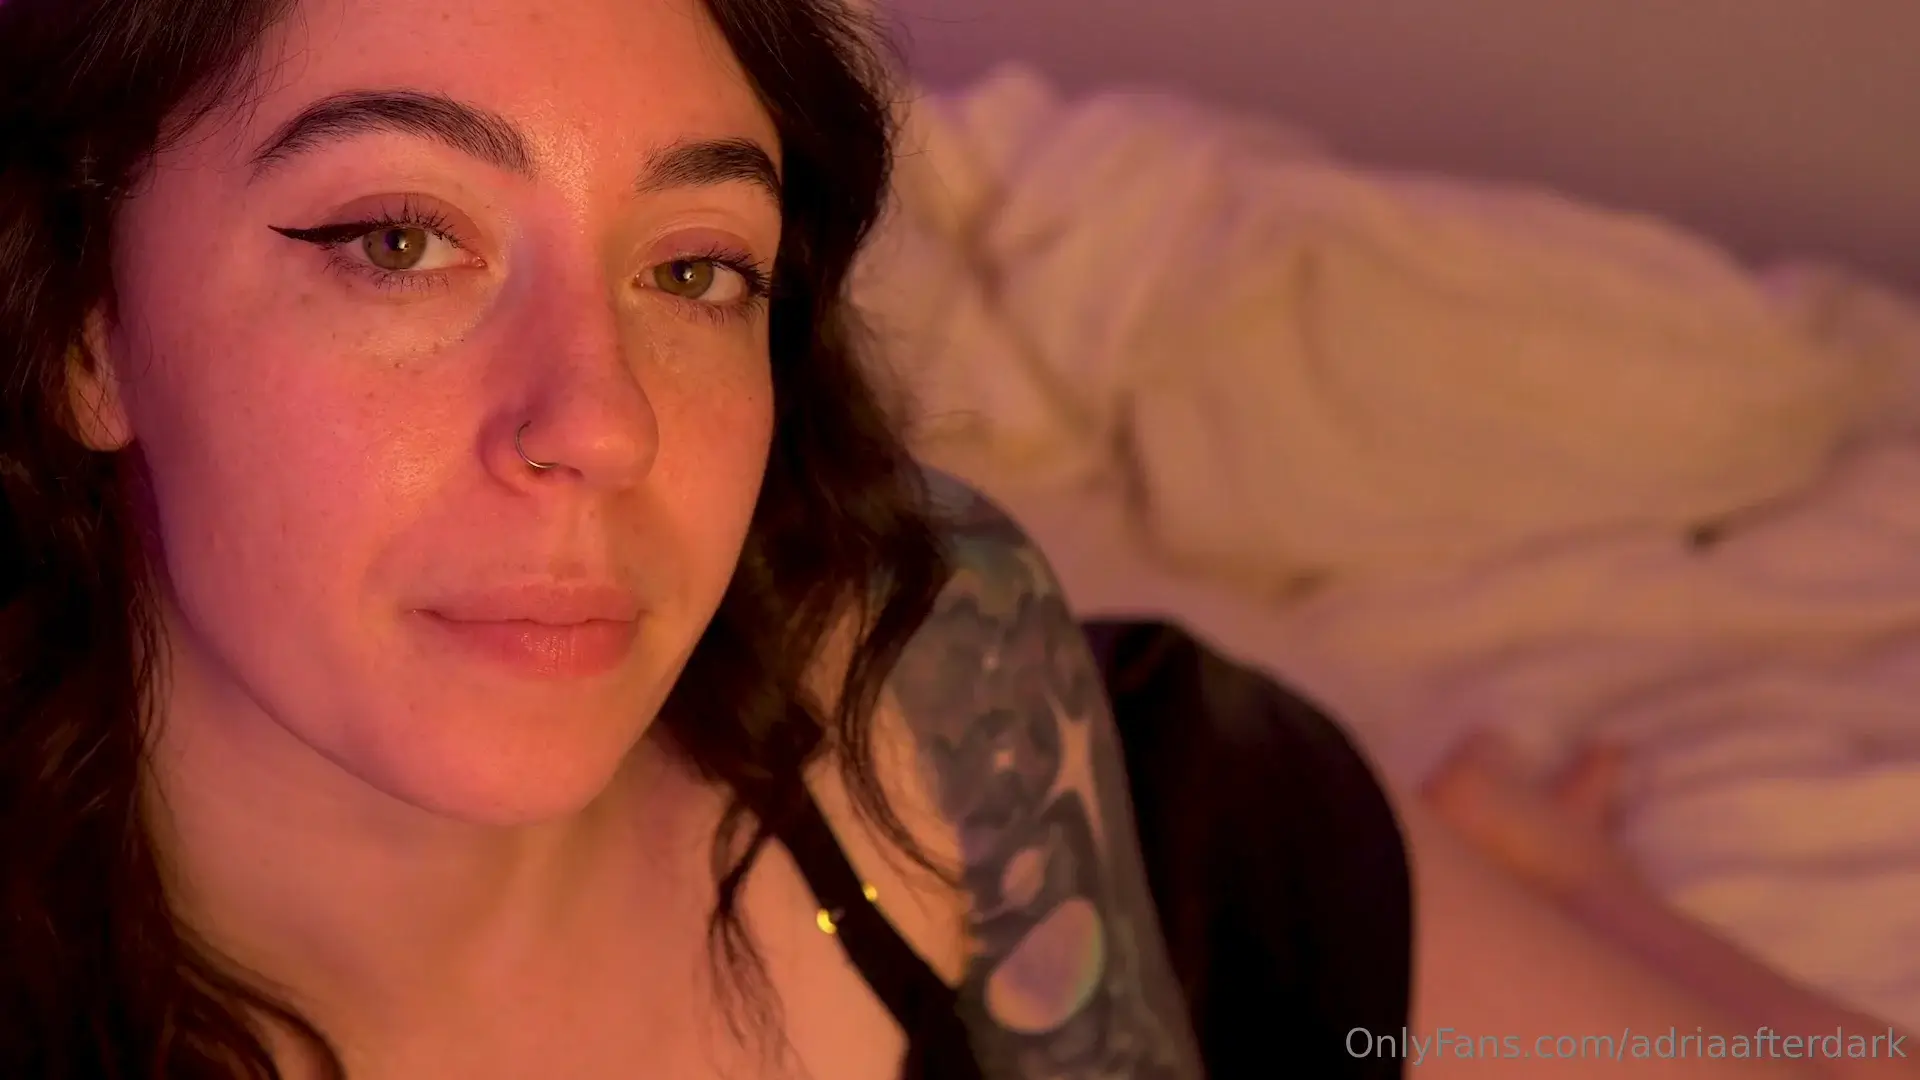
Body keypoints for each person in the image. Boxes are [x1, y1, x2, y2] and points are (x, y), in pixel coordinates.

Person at [0, 0, 1204, 1076]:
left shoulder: (943, 648)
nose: (606, 425)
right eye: (398, 241)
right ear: (85, 330)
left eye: (694, 270)